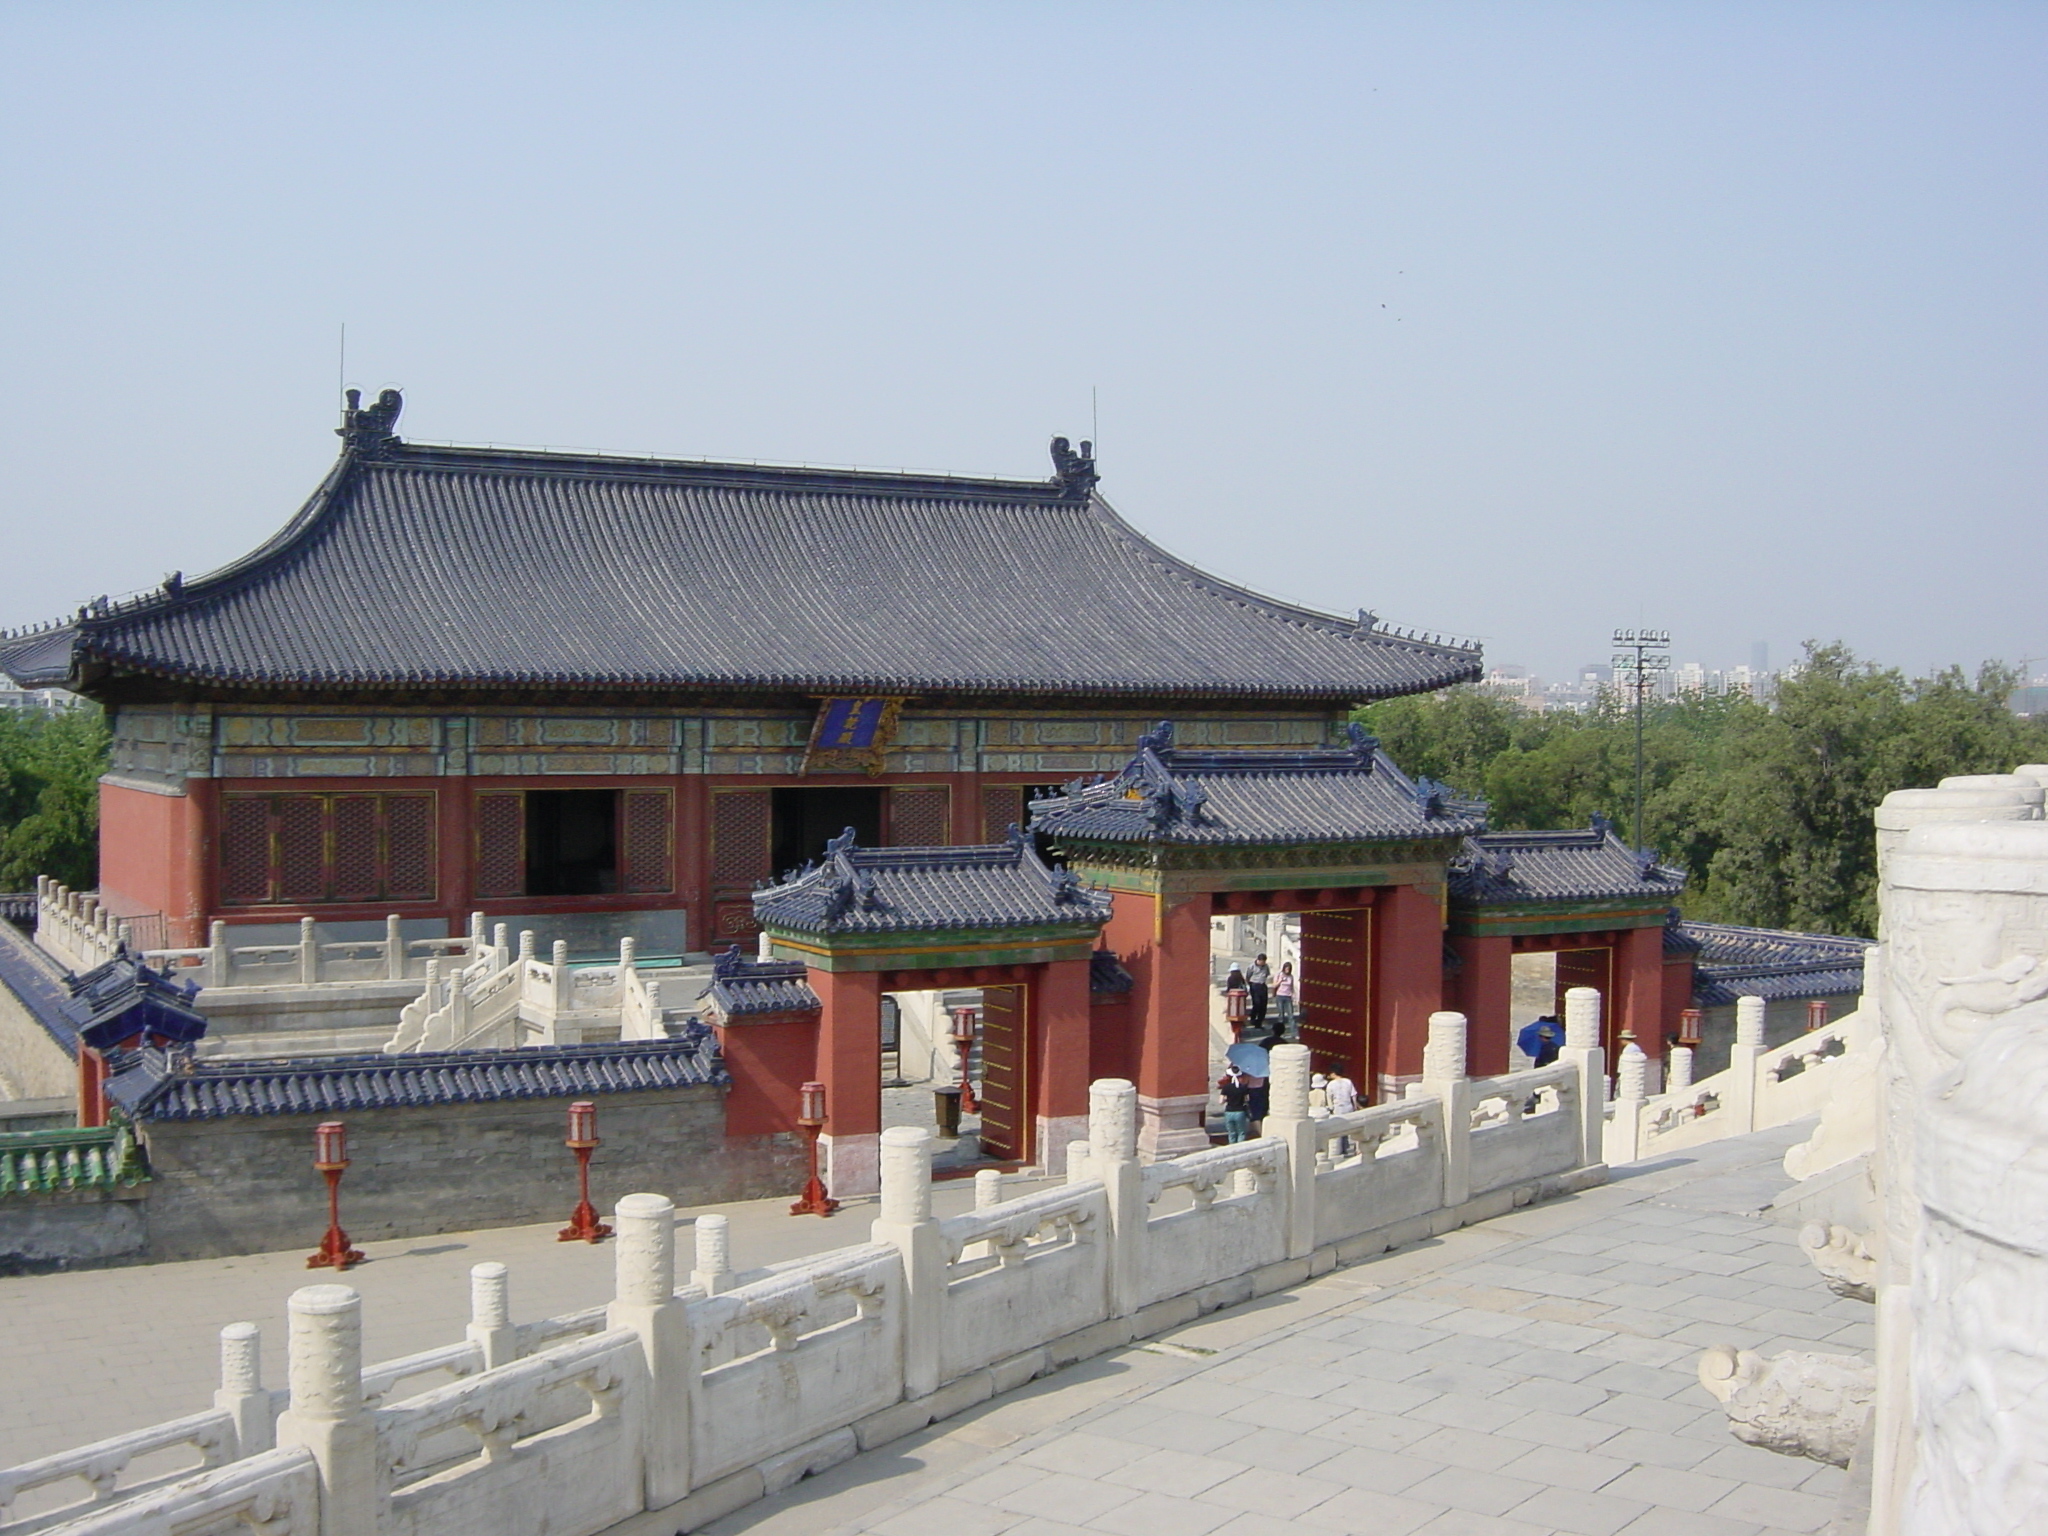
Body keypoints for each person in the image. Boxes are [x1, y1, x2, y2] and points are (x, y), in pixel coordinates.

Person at [1217, 1068, 1253, 1143]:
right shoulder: (1243, 1088)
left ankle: (1232, 1148)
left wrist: (1227, 1099)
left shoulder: (1226, 1087)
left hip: (1229, 1112)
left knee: (1231, 1133)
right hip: (1240, 1111)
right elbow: (1247, 1099)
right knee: (1241, 1133)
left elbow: (1221, 1101)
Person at [1221, 966, 1250, 1039]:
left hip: (1232, 1000)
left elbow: (1229, 989)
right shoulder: (1241, 979)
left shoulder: (1230, 978)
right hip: (1241, 1001)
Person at [1246, 953, 1272, 1030]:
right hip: (1254, 985)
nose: (1263, 963)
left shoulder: (1266, 966)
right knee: (1257, 1003)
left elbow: (1267, 974)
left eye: (1264, 961)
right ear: (1258, 960)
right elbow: (1248, 976)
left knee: (1263, 1005)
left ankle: (1259, 1022)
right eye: (1261, 961)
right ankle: (1253, 1018)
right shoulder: (1252, 967)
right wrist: (1251, 985)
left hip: (1262, 985)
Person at [1272, 961, 1297, 1037]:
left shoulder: (1291, 976)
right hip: (1280, 996)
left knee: (1291, 1016)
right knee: (1281, 1015)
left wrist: (1294, 996)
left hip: (1288, 996)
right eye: (1286, 969)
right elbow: (1274, 985)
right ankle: (1280, 1033)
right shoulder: (1279, 975)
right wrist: (1280, 981)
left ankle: (1293, 1033)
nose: (1287, 970)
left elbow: (1292, 987)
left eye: (1289, 969)